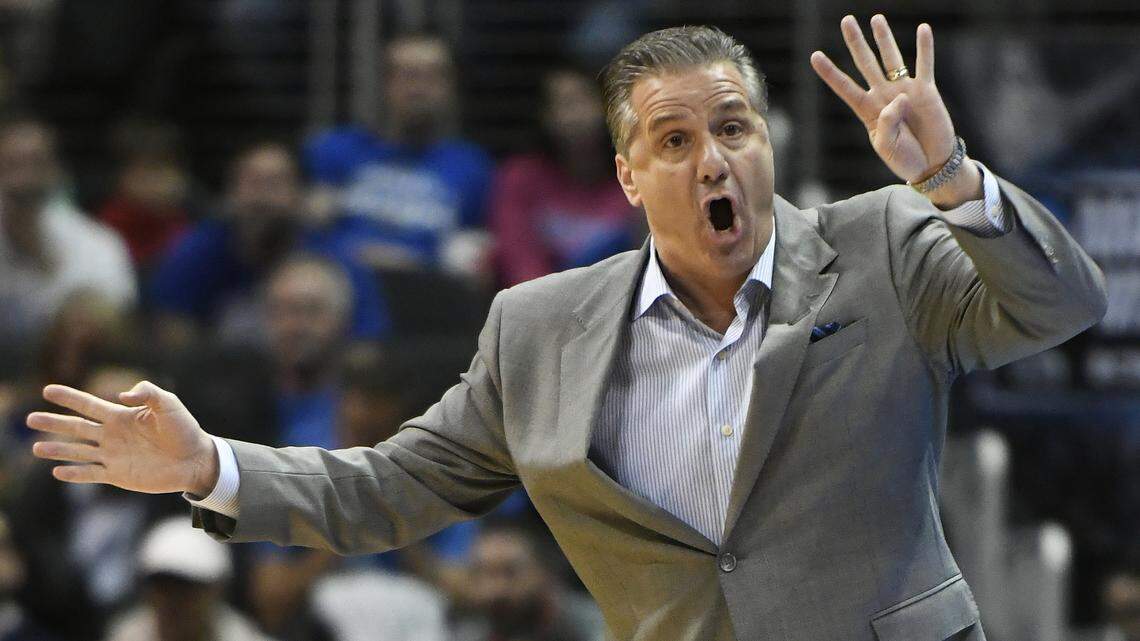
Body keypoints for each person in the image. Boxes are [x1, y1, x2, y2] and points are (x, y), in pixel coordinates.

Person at [26, 18, 1109, 641]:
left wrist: (952, 179)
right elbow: (382, 489)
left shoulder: (884, 245)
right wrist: (206, 464)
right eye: (675, 140)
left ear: (768, 143)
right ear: (630, 176)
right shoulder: (538, 330)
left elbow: (1059, 304)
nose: (713, 160)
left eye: (733, 128)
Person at [148, 142, 389, 349]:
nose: (261, 198)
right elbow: (171, 333)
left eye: (274, 184)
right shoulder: (198, 251)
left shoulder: (335, 261)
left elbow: (366, 348)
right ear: (230, 193)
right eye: (251, 182)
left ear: (300, 195)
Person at [304, 32, 494, 276]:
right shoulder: (335, 151)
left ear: (450, 87)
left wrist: (414, 264)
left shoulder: (472, 168)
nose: (419, 89)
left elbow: (472, 259)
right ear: (386, 84)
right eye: (409, 76)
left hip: (425, 297)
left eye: (432, 77)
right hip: (342, 291)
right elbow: (306, 239)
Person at [489, 66, 641, 287]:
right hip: (540, 304)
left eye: (582, 101)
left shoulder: (634, 177)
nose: (573, 116)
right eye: (562, 104)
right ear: (544, 116)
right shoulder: (520, 177)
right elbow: (519, 258)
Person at [0, 117, 136, 346]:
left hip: (73, 370)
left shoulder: (98, 244)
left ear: (56, 170)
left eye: (35, 163)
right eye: (10, 165)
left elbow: (116, 321)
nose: (22, 180)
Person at [103, 517, 276, 641]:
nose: (173, 603)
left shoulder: (241, 636)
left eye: (187, 589)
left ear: (216, 589)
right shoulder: (126, 635)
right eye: (163, 587)